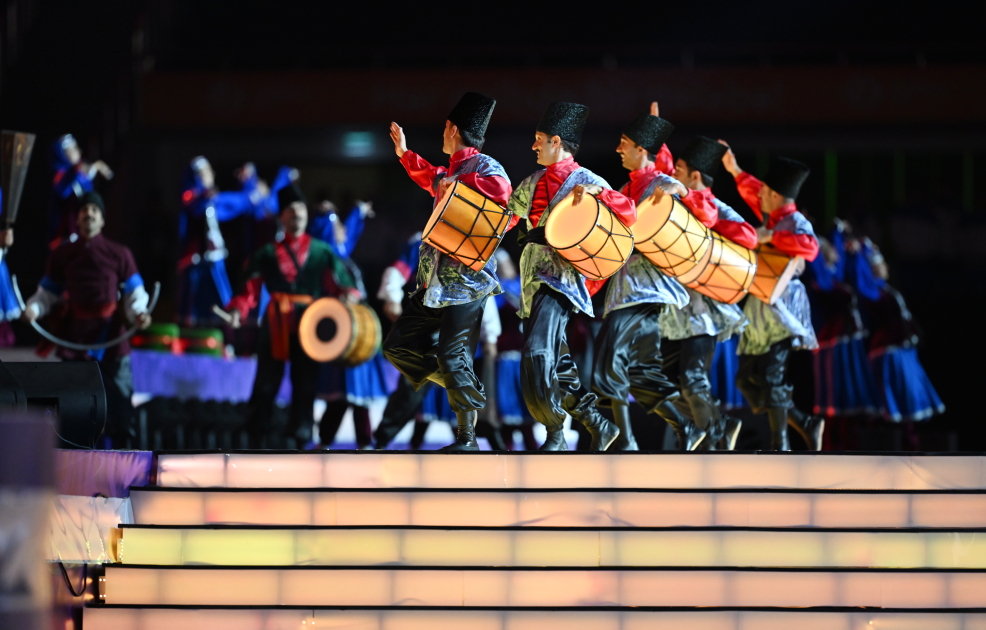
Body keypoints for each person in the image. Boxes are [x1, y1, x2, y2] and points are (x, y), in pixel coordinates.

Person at [383, 92, 512, 452]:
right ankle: (464, 385)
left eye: (444, 129)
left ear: (453, 130)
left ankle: (467, 439)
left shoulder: (486, 167)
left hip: (468, 283)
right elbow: (432, 176)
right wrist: (404, 154)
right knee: (397, 346)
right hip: (434, 284)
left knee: (453, 356)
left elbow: (502, 192)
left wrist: (452, 184)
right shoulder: (451, 172)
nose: (442, 134)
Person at [507, 101, 633, 451]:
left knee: (536, 353)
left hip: (561, 280)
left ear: (556, 141)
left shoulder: (585, 180)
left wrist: (601, 193)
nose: (533, 145)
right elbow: (502, 218)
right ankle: (597, 424)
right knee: (557, 359)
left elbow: (629, 212)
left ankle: (556, 432)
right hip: (533, 283)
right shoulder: (530, 183)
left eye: (538, 139)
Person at [591, 107, 705, 451]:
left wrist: (673, 190)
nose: (617, 149)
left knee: (608, 362)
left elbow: (685, 193)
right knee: (642, 373)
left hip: (645, 290)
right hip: (630, 289)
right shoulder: (627, 186)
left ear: (642, 150)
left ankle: (625, 439)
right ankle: (686, 426)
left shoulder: (658, 182)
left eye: (624, 143)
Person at [225, 183, 360, 448]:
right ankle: (257, 435)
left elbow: (344, 283)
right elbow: (248, 288)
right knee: (266, 380)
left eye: (301, 211)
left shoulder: (322, 251)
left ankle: (300, 436)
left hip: (309, 322)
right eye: (291, 211)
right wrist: (237, 310)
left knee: (306, 381)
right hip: (275, 319)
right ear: (282, 217)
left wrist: (348, 295)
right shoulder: (265, 253)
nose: (297, 215)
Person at [22, 191, 152, 447]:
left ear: (102, 220)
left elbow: (135, 292)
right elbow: (47, 293)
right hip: (76, 342)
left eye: (95, 210)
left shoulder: (119, 253)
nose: (89, 213)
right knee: (72, 411)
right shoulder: (63, 254)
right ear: (77, 219)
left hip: (113, 341)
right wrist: (33, 310)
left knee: (121, 410)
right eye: (84, 210)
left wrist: (139, 312)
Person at [721, 145, 825, 451]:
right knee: (745, 379)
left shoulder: (794, 223)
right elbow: (753, 192)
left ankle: (781, 443)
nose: (760, 195)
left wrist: (771, 237)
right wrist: (734, 169)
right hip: (760, 306)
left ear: (778, 195)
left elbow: (810, 247)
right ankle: (804, 423)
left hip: (781, 309)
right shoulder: (773, 215)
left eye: (767, 191)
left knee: (771, 376)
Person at [660, 136, 757, 450]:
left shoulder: (712, 206)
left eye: (680, 170)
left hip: (703, 313)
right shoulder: (677, 204)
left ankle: (715, 437)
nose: (674, 174)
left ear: (695, 177)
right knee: (667, 382)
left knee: (692, 377)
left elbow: (748, 235)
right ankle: (720, 425)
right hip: (676, 312)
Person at [309, 198, 390, 449]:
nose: (344, 229)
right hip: (344, 330)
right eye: (338, 226)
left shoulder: (341, 254)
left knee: (355, 395)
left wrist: (359, 211)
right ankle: (330, 441)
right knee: (344, 394)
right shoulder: (329, 258)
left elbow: (350, 231)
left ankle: (357, 442)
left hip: (357, 329)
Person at [850, 238, 944, 426]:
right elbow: (860, 279)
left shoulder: (885, 289)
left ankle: (910, 448)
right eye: (881, 263)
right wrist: (860, 253)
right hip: (889, 352)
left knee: (909, 401)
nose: (886, 267)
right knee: (895, 402)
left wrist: (865, 247)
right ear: (874, 268)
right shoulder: (873, 291)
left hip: (903, 349)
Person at [178, 157, 267, 328]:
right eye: (206, 172)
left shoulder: (208, 200)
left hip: (213, 261)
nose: (211, 175)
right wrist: (252, 191)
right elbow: (229, 202)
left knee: (221, 303)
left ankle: (221, 340)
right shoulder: (195, 198)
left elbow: (236, 206)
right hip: (198, 263)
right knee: (193, 310)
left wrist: (250, 185)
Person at [49, 134, 113, 248]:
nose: (77, 151)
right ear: (63, 154)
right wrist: (90, 167)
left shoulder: (81, 177)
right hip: (65, 238)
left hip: (83, 235)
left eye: (76, 147)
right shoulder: (60, 175)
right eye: (71, 149)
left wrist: (95, 167)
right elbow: (63, 190)